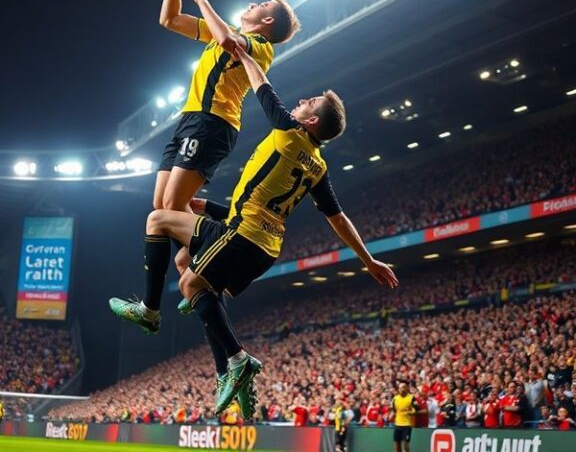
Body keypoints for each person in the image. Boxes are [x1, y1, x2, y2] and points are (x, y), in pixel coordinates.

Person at [109, 39, 398, 420]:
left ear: (310, 121)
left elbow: (263, 86)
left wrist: (243, 53)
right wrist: (368, 259)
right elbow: (336, 217)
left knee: (161, 226)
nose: (301, 103)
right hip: (262, 246)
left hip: (243, 236)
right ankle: (227, 372)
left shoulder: (289, 132)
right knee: (189, 270)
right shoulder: (317, 166)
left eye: (308, 104)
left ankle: (160, 316)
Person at [135, 0, 301, 329]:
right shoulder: (223, 29)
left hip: (213, 125)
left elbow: (227, 40)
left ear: (267, 22)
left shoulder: (260, 48)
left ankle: (195, 269)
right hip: (188, 121)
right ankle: (195, 257)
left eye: (259, 5)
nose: (251, 4)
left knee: (165, 212)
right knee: (160, 206)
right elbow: (168, 19)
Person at [391, 383, 418, 452]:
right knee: (397, 446)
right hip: (398, 425)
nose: (402, 389)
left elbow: (416, 409)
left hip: (407, 425)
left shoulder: (412, 398)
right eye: (400, 388)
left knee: (405, 445)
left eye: (404, 387)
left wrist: (410, 412)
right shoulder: (395, 398)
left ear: (407, 388)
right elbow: (394, 410)